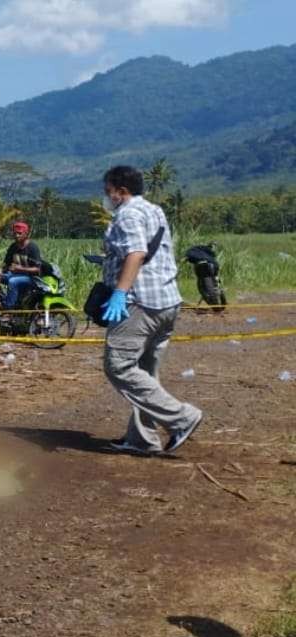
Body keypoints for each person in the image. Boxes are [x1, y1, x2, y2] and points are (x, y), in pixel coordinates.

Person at [99, 166, 202, 455]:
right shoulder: (154, 210)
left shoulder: (128, 213)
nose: (106, 196)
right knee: (145, 371)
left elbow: (136, 252)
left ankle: (182, 418)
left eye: (108, 190)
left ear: (121, 191)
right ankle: (142, 439)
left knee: (118, 366)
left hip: (140, 302)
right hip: (166, 301)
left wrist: (120, 292)